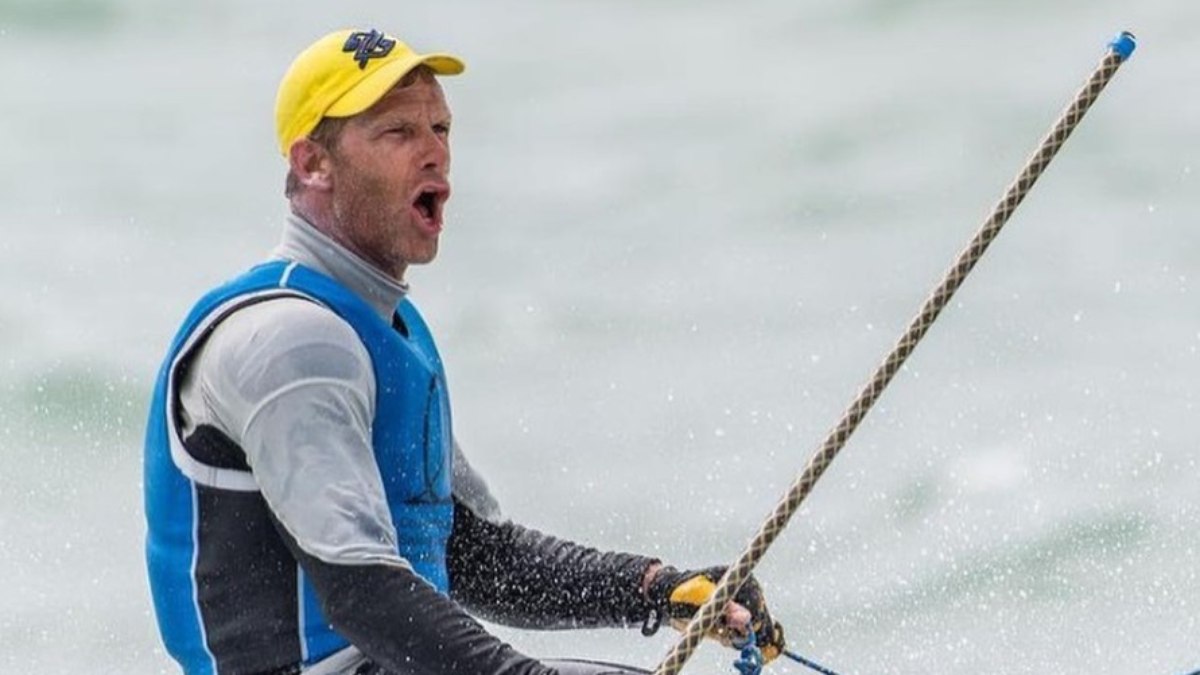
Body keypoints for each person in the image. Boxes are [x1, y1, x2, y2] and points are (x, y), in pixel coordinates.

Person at [143, 28, 786, 675]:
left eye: (441, 129)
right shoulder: (290, 342)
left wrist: (654, 589)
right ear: (313, 163)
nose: (434, 154)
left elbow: (476, 557)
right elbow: (363, 594)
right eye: (398, 133)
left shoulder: (383, 328)